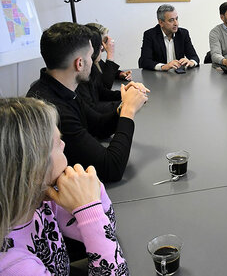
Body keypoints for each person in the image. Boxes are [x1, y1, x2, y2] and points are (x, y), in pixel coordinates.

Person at [0, 97, 129, 275]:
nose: (64, 144)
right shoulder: (14, 266)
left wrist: (91, 192)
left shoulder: (41, 201)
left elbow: (106, 229)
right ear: (33, 168)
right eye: (56, 143)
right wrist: (88, 207)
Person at [27, 22, 148, 182]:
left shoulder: (60, 88)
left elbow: (97, 125)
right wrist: (128, 112)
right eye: (91, 56)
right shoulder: (54, 110)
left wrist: (124, 105)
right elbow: (111, 169)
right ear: (80, 63)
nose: (93, 62)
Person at [138, 4, 200, 71]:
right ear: (161, 22)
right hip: (158, 77)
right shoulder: (150, 35)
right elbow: (144, 61)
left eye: (176, 19)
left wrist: (191, 62)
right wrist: (163, 66)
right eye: (171, 20)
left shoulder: (183, 34)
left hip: (179, 76)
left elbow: (194, 57)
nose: (176, 23)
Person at [76, 24, 121, 114]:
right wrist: (125, 104)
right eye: (101, 43)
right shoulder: (82, 74)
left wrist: (125, 94)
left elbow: (101, 91)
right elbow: (92, 109)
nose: (103, 47)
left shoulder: (91, 65)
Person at [86, 22, 132, 88]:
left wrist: (120, 74)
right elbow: (105, 86)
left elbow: (105, 70)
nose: (104, 46)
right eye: (103, 41)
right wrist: (110, 54)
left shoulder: (97, 61)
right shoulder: (89, 63)